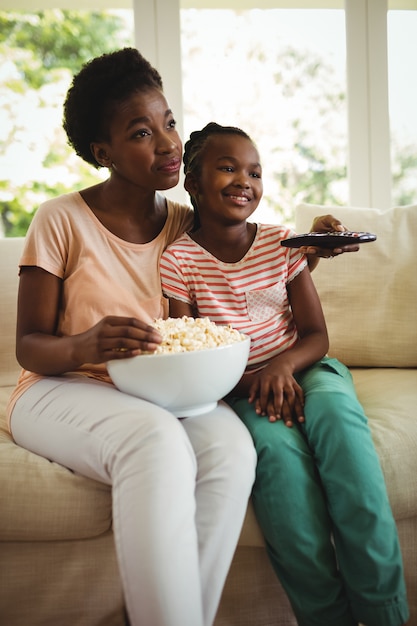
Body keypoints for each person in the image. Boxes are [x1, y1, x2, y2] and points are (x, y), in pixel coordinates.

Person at [6, 49, 258, 626]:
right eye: (142, 133)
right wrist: (85, 344)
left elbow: (249, 264)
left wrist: (309, 256)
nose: (169, 143)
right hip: (59, 385)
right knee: (155, 441)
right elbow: (28, 345)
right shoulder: (60, 219)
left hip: (159, 392)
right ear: (104, 153)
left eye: (169, 122)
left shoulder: (182, 224)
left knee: (231, 451)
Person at [159, 122, 409, 626]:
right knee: (280, 470)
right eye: (227, 167)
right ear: (194, 182)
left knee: (341, 432)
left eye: (254, 171)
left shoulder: (282, 244)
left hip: (308, 368)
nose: (244, 180)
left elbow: (316, 334)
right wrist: (259, 381)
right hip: (242, 390)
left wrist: (281, 367)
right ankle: (324, 616)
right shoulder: (179, 261)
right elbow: (189, 352)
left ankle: (384, 610)